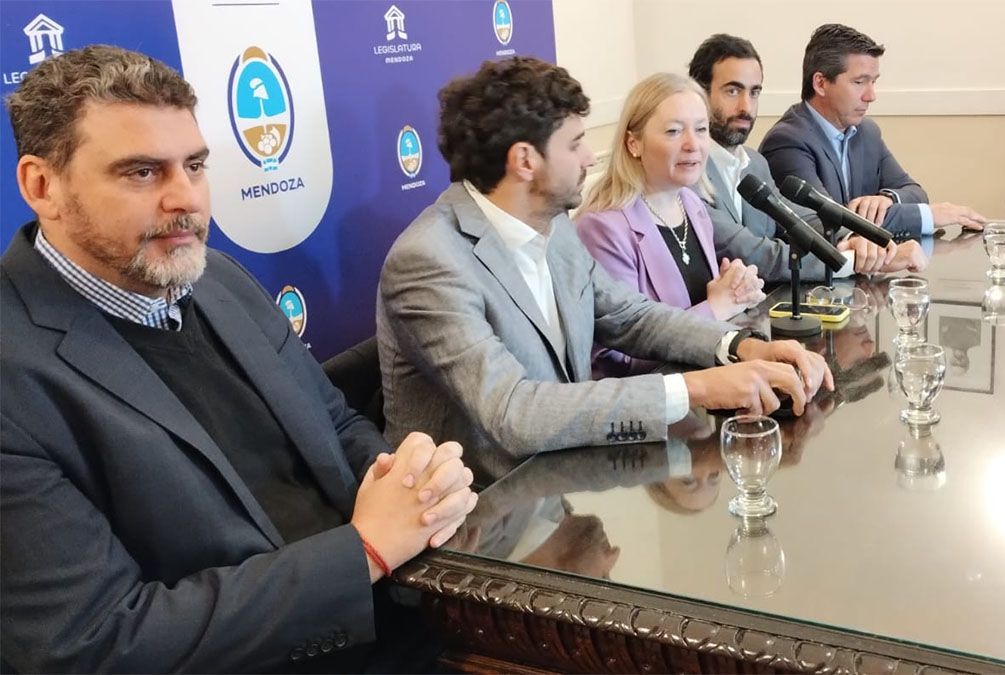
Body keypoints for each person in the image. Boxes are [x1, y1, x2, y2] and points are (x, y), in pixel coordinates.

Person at [0, 45, 476, 673]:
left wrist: (417, 486)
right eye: (142, 172)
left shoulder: (217, 277)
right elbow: (93, 643)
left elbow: (334, 425)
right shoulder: (15, 375)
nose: (186, 201)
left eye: (194, 166)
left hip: (412, 620)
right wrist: (363, 551)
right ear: (43, 186)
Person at [376, 57, 834, 486]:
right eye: (575, 143)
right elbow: (513, 412)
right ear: (524, 160)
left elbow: (628, 315)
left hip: (562, 477)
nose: (590, 158)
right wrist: (693, 388)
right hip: (479, 516)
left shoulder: (551, 222)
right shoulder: (429, 260)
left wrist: (740, 346)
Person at [574, 73, 767, 377]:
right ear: (633, 143)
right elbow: (616, 360)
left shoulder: (691, 204)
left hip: (709, 386)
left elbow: (714, 302)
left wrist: (738, 289)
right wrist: (716, 307)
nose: (693, 144)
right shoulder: (601, 228)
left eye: (701, 130)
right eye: (675, 131)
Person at [688, 33, 928, 278]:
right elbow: (749, 252)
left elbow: (800, 219)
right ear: (698, 94)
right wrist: (851, 261)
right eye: (732, 91)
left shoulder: (754, 163)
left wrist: (856, 240)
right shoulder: (686, 172)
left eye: (754, 93)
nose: (746, 107)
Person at [760, 24, 987, 241]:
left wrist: (887, 199)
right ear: (820, 83)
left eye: (873, 82)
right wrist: (927, 215)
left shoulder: (866, 131)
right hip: (814, 279)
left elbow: (915, 192)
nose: (871, 96)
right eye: (859, 82)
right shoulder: (787, 142)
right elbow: (829, 224)